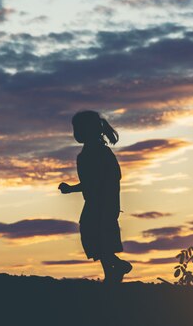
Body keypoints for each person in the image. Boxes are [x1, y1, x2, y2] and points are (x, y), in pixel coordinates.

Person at [59, 111, 132, 283]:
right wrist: (73, 189)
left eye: (78, 128)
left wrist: (72, 189)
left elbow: (105, 178)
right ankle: (113, 270)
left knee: (101, 237)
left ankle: (115, 269)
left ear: (88, 129)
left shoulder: (100, 153)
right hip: (94, 202)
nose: (75, 133)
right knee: (94, 236)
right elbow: (89, 182)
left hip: (105, 203)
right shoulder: (86, 155)